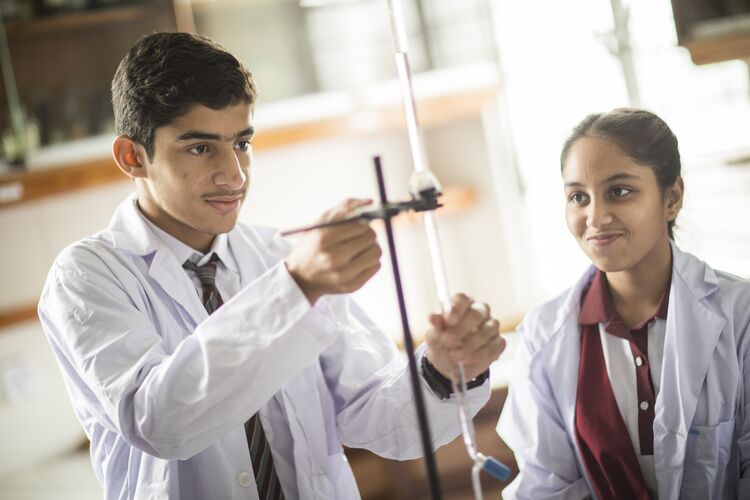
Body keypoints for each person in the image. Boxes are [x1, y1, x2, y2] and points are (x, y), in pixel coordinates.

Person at [38, 32, 506, 500]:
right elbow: (161, 424)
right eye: (200, 148)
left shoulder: (278, 255)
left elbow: (381, 419)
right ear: (132, 157)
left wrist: (442, 369)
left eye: (241, 143)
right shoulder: (86, 276)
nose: (235, 174)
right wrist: (296, 286)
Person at [497, 108, 750, 499]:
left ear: (672, 198)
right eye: (578, 197)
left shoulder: (741, 314)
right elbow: (544, 487)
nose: (595, 217)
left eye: (619, 191)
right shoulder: (543, 335)